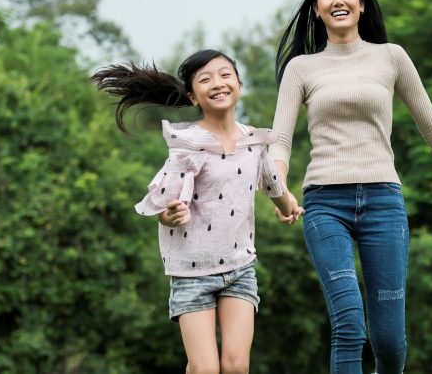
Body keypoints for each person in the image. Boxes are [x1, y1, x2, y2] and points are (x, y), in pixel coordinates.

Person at [270, 0, 432, 374]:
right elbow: (280, 141)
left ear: (361, 3)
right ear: (316, 10)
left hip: (383, 202)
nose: (337, 1)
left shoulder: (391, 57)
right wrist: (279, 188)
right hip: (325, 204)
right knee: (349, 325)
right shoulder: (301, 68)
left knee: (390, 342)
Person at [91, 50, 303, 374]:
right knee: (205, 369)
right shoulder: (188, 144)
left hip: (240, 268)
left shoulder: (253, 142)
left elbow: (272, 182)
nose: (218, 83)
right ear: (192, 96)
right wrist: (170, 215)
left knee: (236, 366)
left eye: (225, 75)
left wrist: (289, 207)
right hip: (192, 273)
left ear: (239, 84)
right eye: (205, 79)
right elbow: (163, 206)